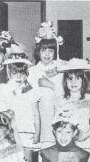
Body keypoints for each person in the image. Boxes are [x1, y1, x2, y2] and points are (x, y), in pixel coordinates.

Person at [0, 48, 40, 162]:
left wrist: (38, 131)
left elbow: (35, 112)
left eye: (22, 72)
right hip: (11, 132)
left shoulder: (30, 90)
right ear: (8, 73)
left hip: (27, 132)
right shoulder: (5, 89)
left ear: (27, 73)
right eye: (15, 73)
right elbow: (1, 111)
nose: (19, 76)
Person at [28, 21, 65, 150]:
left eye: (51, 51)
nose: (47, 54)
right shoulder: (32, 71)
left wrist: (51, 85)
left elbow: (65, 92)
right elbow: (31, 95)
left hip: (60, 110)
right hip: (41, 114)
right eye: (44, 50)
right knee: (44, 145)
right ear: (38, 51)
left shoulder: (61, 68)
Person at [55, 58, 90, 162]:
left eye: (77, 78)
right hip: (68, 141)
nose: (73, 82)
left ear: (83, 80)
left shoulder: (87, 99)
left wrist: (87, 135)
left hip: (84, 140)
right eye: (70, 79)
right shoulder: (62, 100)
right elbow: (58, 122)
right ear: (65, 81)